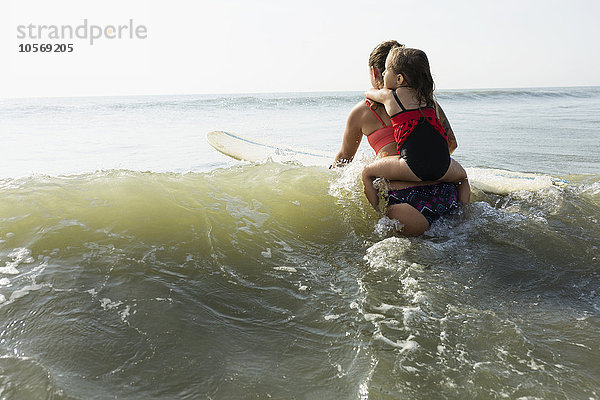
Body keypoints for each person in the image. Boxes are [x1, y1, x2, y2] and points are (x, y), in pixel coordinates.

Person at [334, 40, 469, 236]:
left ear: (374, 72)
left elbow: (344, 159)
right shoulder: (427, 102)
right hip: (447, 197)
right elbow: (451, 144)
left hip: (406, 205)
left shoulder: (362, 111)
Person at [361, 46, 470, 209]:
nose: (383, 73)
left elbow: (369, 93)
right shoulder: (429, 100)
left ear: (399, 79)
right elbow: (452, 144)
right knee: (463, 178)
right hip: (443, 165)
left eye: (388, 70)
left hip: (413, 166)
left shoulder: (391, 97)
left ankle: (378, 212)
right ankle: (462, 213)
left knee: (367, 173)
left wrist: (374, 90)